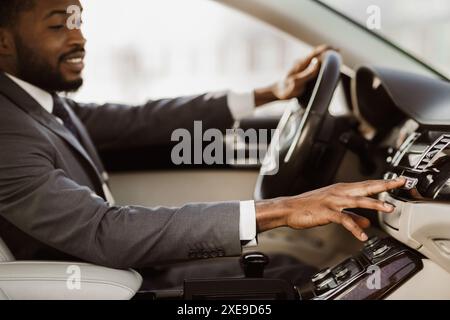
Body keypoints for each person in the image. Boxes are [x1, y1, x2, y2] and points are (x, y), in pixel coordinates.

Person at [0, 0, 405, 290]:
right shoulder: (6, 129)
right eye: (58, 26)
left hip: (132, 273)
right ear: (3, 42)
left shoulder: (43, 103)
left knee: (290, 271)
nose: (79, 38)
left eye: (79, 21)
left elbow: (144, 119)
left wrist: (270, 93)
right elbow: (103, 231)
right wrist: (285, 208)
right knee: (291, 284)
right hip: (109, 287)